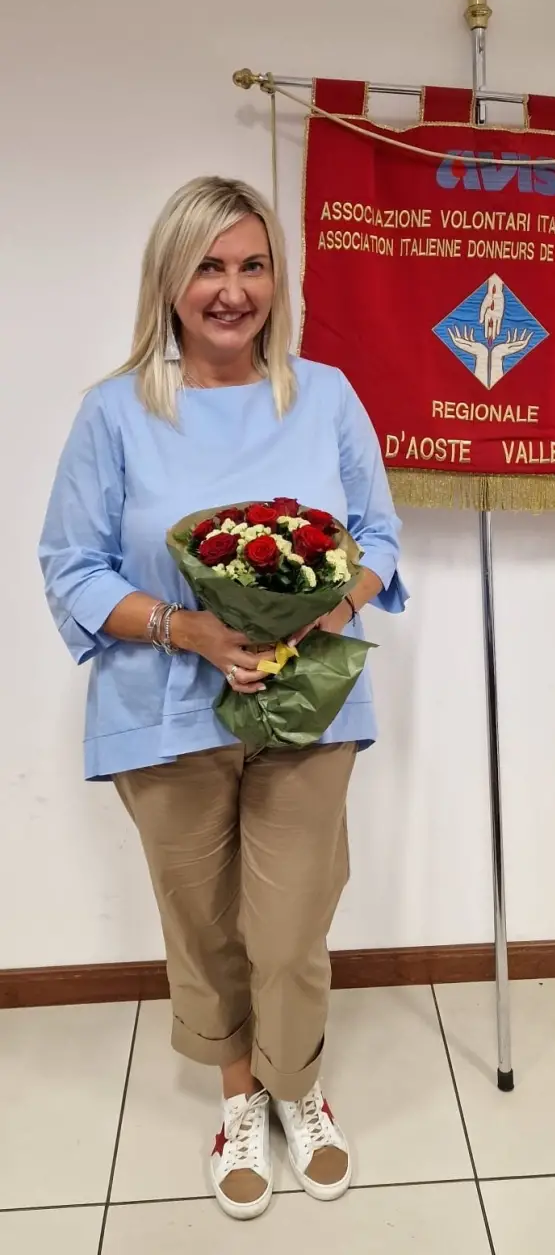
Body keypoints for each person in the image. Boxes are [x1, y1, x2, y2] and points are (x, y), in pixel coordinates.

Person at [39, 175, 407, 1221]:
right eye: (208, 265)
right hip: (162, 713)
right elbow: (72, 565)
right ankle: (240, 1095)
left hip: (306, 708)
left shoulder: (324, 396)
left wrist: (327, 610)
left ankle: (298, 1086)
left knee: (288, 929)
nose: (232, 289)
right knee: (204, 927)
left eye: (253, 265)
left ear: (277, 280)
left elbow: (376, 537)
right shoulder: (115, 411)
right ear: (169, 278)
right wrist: (189, 626)